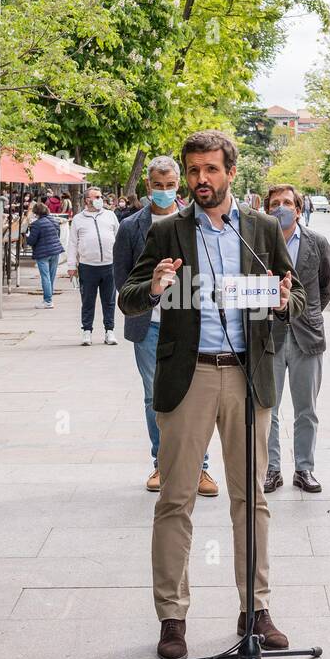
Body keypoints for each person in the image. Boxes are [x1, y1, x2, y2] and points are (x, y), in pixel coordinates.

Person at [118, 129, 303, 659]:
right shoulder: (168, 232)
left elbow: (292, 301)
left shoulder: (263, 230)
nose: (201, 179)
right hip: (189, 376)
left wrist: (285, 298)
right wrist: (154, 287)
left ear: (230, 173)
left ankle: (256, 609)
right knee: (176, 499)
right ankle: (172, 617)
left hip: (249, 376)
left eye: (211, 170)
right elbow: (128, 297)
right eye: (193, 170)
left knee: (252, 499)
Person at [114, 156, 219, 496]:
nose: (163, 191)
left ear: (179, 185)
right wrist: (151, 292)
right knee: (153, 396)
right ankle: (161, 463)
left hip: (190, 323)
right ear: (148, 186)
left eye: (169, 185)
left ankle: (199, 468)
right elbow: (123, 281)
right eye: (157, 186)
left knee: (193, 395)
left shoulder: (199, 221)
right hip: (149, 325)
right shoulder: (131, 227)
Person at [264, 183, 330, 494]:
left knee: (307, 408)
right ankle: (272, 469)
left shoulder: (318, 242)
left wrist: (305, 310)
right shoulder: (257, 241)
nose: (282, 207)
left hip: (307, 334)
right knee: (269, 407)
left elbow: (325, 287)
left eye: (287, 202)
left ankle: (304, 468)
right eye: (275, 202)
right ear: (267, 209)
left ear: (299, 209)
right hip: (268, 335)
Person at [68, 185, 120, 346]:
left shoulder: (110, 216)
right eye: (96, 197)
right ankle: (87, 331)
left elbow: (118, 238)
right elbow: (72, 243)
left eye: (100, 197)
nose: (99, 200)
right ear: (87, 200)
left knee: (109, 301)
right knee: (88, 300)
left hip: (109, 265)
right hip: (87, 266)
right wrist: (71, 265)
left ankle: (109, 331)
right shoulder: (78, 219)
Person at [25, 202, 64, 309]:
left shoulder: (36, 224)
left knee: (45, 277)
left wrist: (25, 236)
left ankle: (48, 301)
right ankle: (49, 299)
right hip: (55, 251)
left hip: (43, 253)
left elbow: (31, 241)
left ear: (36, 212)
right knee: (51, 276)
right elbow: (57, 235)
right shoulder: (55, 221)